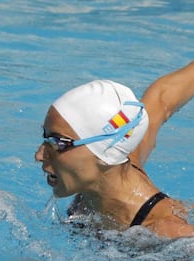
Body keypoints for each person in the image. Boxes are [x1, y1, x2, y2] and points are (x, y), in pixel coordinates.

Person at [35, 61, 194, 239]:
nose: (39, 155)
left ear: (106, 152)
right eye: (45, 137)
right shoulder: (114, 153)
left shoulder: (167, 233)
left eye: (58, 143)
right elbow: (161, 97)